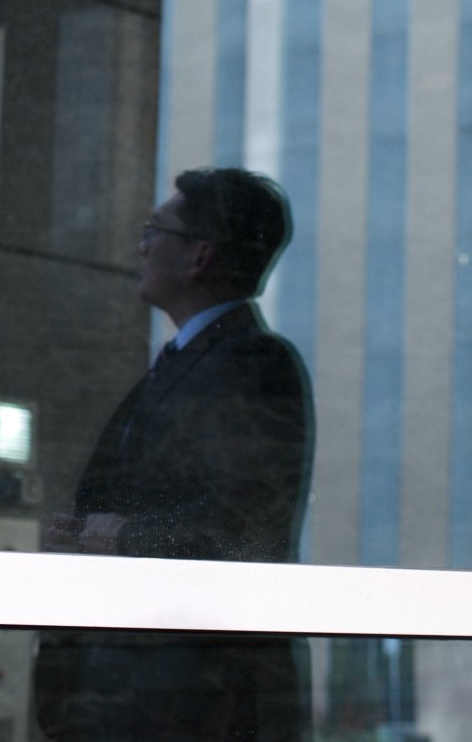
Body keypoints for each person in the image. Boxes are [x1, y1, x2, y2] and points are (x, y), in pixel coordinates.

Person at [34, 167, 313, 742]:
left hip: (190, 704)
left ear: (198, 257)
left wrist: (118, 536)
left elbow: (245, 530)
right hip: (153, 696)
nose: (140, 246)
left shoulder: (252, 364)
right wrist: (90, 533)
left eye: (153, 231)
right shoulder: (196, 361)